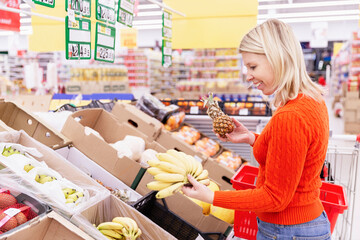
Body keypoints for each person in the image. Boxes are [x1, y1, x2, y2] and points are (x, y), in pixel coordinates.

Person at [182, 19, 331, 239]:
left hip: (287, 231)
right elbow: (295, 153)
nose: (248, 75)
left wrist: (212, 197)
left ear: (278, 58)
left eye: (253, 66)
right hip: (300, 225)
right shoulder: (311, 99)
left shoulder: (290, 115)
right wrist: (252, 138)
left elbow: (274, 197)